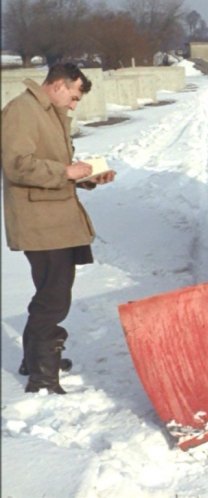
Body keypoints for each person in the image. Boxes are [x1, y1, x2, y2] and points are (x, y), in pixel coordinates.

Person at [1, 63, 116, 394]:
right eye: (75, 96)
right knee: (54, 298)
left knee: (49, 292)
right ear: (60, 85)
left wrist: (88, 176)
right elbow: (17, 165)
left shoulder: (47, 112)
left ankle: (33, 359)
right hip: (40, 222)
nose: (74, 104)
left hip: (55, 220)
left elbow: (54, 169)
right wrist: (66, 172)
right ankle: (42, 375)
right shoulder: (22, 110)